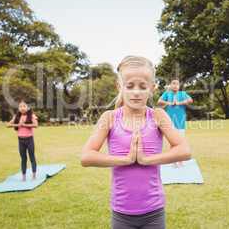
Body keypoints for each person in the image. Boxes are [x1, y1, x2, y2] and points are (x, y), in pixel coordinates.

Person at [81, 55, 191, 229]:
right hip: (121, 213)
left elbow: (184, 151)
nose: (136, 92)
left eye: (143, 86)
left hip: (154, 211)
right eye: (130, 86)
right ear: (120, 87)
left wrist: (147, 159)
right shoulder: (109, 118)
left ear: (152, 88)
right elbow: (86, 157)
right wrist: (126, 159)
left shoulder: (158, 116)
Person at [158, 77, 193, 168]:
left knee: (181, 143)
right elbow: (159, 101)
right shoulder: (167, 93)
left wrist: (178, 103)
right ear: (170, 85)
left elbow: (190, 100)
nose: (175, 85)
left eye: (177, 83)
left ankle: (180, 162)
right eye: (173, 83)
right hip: (170, 123)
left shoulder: (182, 94)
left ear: (179, 85)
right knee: (172, 143)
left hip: (180, 122)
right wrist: (170, 103)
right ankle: (174, 162)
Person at [7, 99, 39, 181]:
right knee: (23, 158)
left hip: (29, 140)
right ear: (18, 108)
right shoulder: (17, 117)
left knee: (32, 157)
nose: (22, 108)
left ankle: (34, 176)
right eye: (20, 106)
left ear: (29, 108)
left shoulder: (31, 116)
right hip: (20, 141)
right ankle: (23, 177)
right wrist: (18, 124)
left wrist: (24, 125)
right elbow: (8, 125)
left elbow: (36, 125)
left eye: (24, 106)